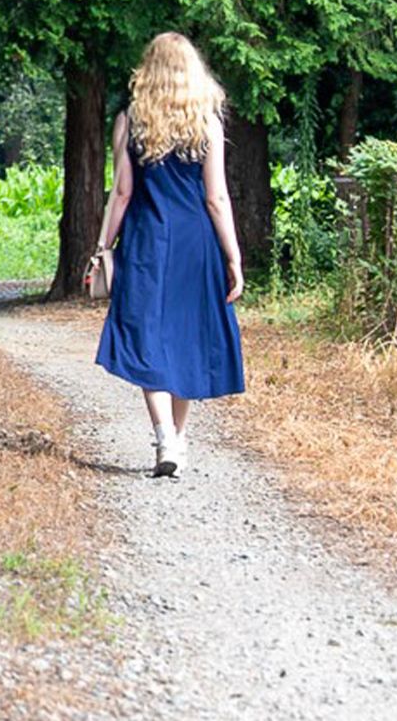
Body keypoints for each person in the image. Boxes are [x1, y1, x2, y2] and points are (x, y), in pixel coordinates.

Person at [85, 32, 246, 477]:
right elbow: (217, 198)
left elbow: (121, 193)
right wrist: (233, 256)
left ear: (148, 70)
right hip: (196, 243)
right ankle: (176, 439)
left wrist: (102, 248)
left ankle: (165, 439)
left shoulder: (131, 120)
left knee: (145, 337)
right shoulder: (207, 121)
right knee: (186, 337)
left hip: (147, 240)